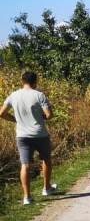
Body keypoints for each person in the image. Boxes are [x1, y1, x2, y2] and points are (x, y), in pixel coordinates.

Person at [0, 71, 56, 205]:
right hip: (40, 134)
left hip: (22, 135)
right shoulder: (39, 95)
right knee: (46, 160)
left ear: (22, 81)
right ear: (35, 82)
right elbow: (49, 115)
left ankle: (27, 197)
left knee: (25, 165)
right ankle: (46, 188)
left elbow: (2, 113)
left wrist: (15, 120)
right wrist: (41, 117)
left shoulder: (13, 95)